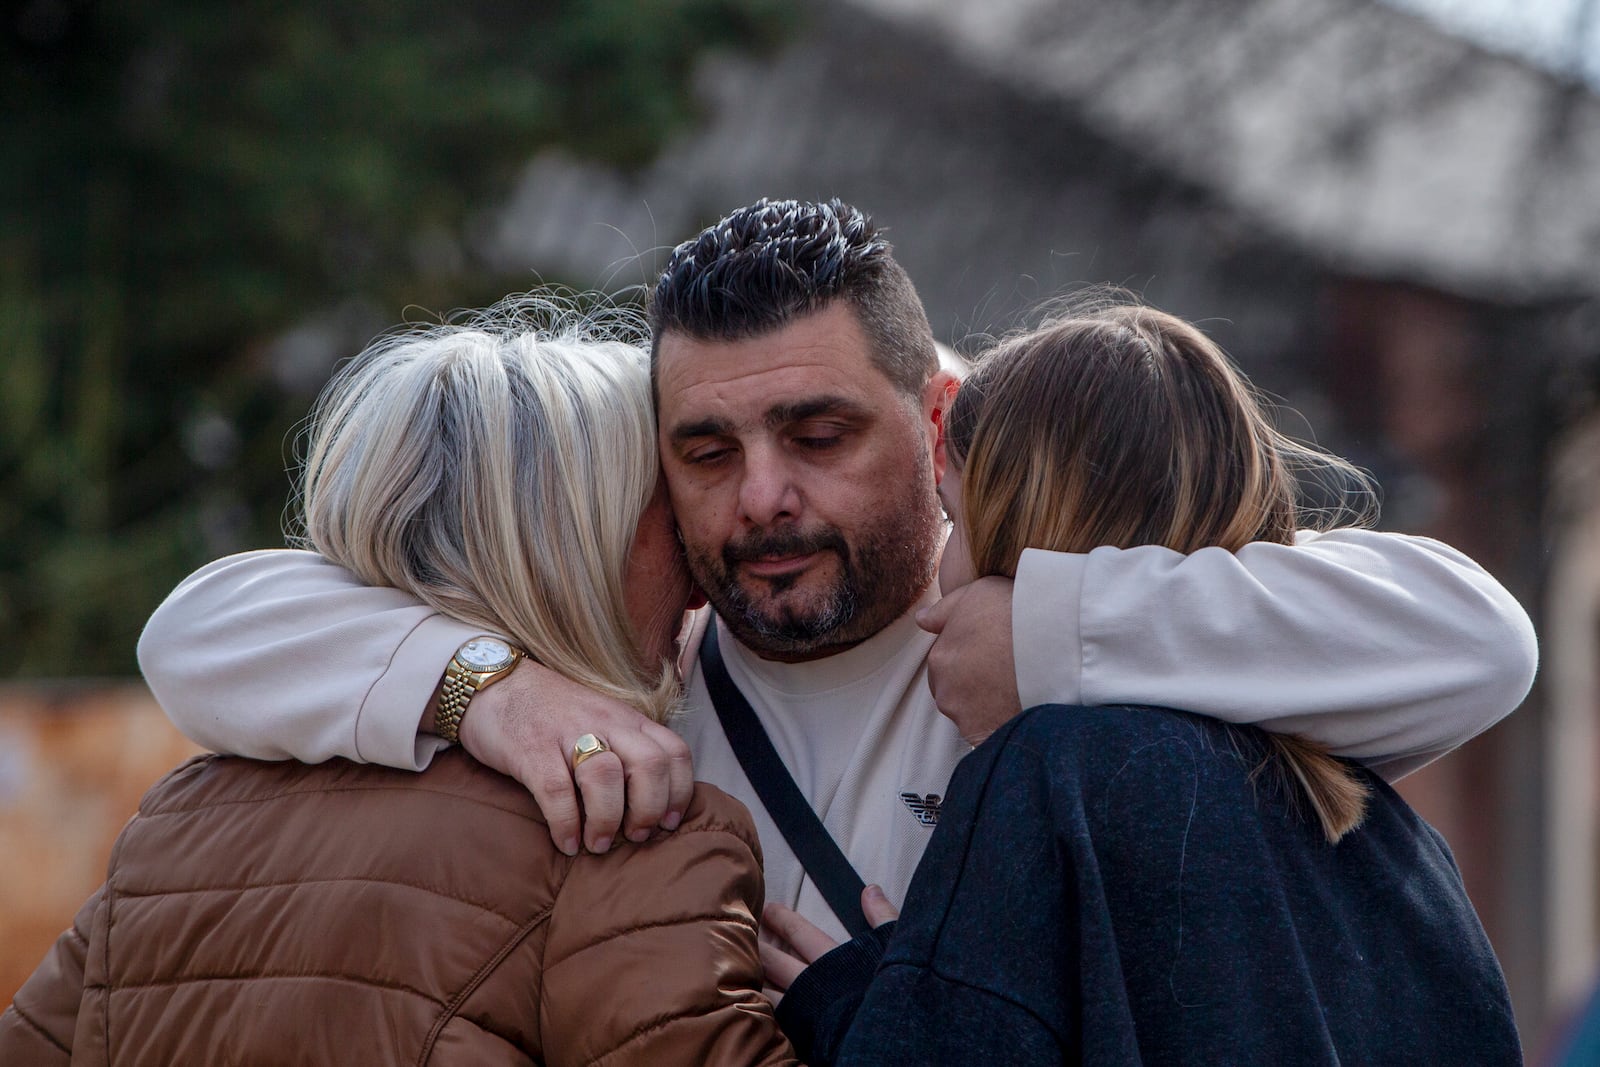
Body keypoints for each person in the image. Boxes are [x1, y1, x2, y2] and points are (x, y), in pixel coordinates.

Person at [134, 199, 1537, 943]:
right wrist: (484, 689)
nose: (760, 498)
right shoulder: (634, 681)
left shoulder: (1083, 617)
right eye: (704, 448)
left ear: (936, 417)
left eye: (816, 432)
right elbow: (196, 629)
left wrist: (1051, 633)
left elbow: (1477, 639)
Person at [0, 300, 796, 1065]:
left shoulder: (171, 828)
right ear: (572, 557)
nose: (700, 580)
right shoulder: (632, 836)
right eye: (669, 523)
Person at [764, 303, 1522, 1064]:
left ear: (1025, 524)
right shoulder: (1401, 848)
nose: (944, 570)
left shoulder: (1044, 776)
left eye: (955, 520)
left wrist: (877, 1008)